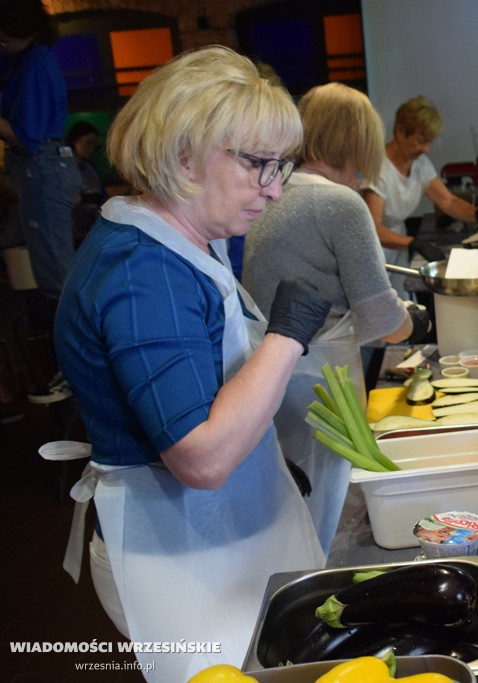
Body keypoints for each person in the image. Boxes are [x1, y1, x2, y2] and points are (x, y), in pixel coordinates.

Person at [52, 46, 331, 681]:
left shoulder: (176, 242)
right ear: (183, 154)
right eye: (258, 164)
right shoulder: (144, 269)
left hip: (212, 542)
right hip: (179, 552)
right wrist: (288, 335)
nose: (275, 189)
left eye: (280, 166)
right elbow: (200, 457)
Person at [243, 82, 431, 556]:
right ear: (357, 141)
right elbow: (383, 323)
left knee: (291, 508)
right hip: (318, 382)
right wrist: (421, 323)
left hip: (272, 379)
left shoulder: (276, 192)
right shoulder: (339, 203)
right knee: (325, 519)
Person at [364, 95, 478, 297]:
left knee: (403, 302)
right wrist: (414, 243)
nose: (426, 149)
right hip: (374, 248)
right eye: (421, 141)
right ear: (400, 132)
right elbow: (373, 228)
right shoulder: (378, 167)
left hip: (398, 242)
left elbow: (448, 201)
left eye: (429, 142)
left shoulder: (419, 164)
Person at [0, 0, 80, 301]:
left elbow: (26, 136)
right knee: (49, 263)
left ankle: (80, 343)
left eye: (5, 36)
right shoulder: (18, 57)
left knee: (55, 272)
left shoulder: (36, 64)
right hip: (40, 167)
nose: (1, 41)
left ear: (28, 32)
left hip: (42, 167)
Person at [65, 120, 108, 246]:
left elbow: (102, 195)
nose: (91, 148)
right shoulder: (64, 168)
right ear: (75, 140)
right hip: (71, 229)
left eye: (94, 144)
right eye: (88, 143)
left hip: (91, 226)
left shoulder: (90, 168)